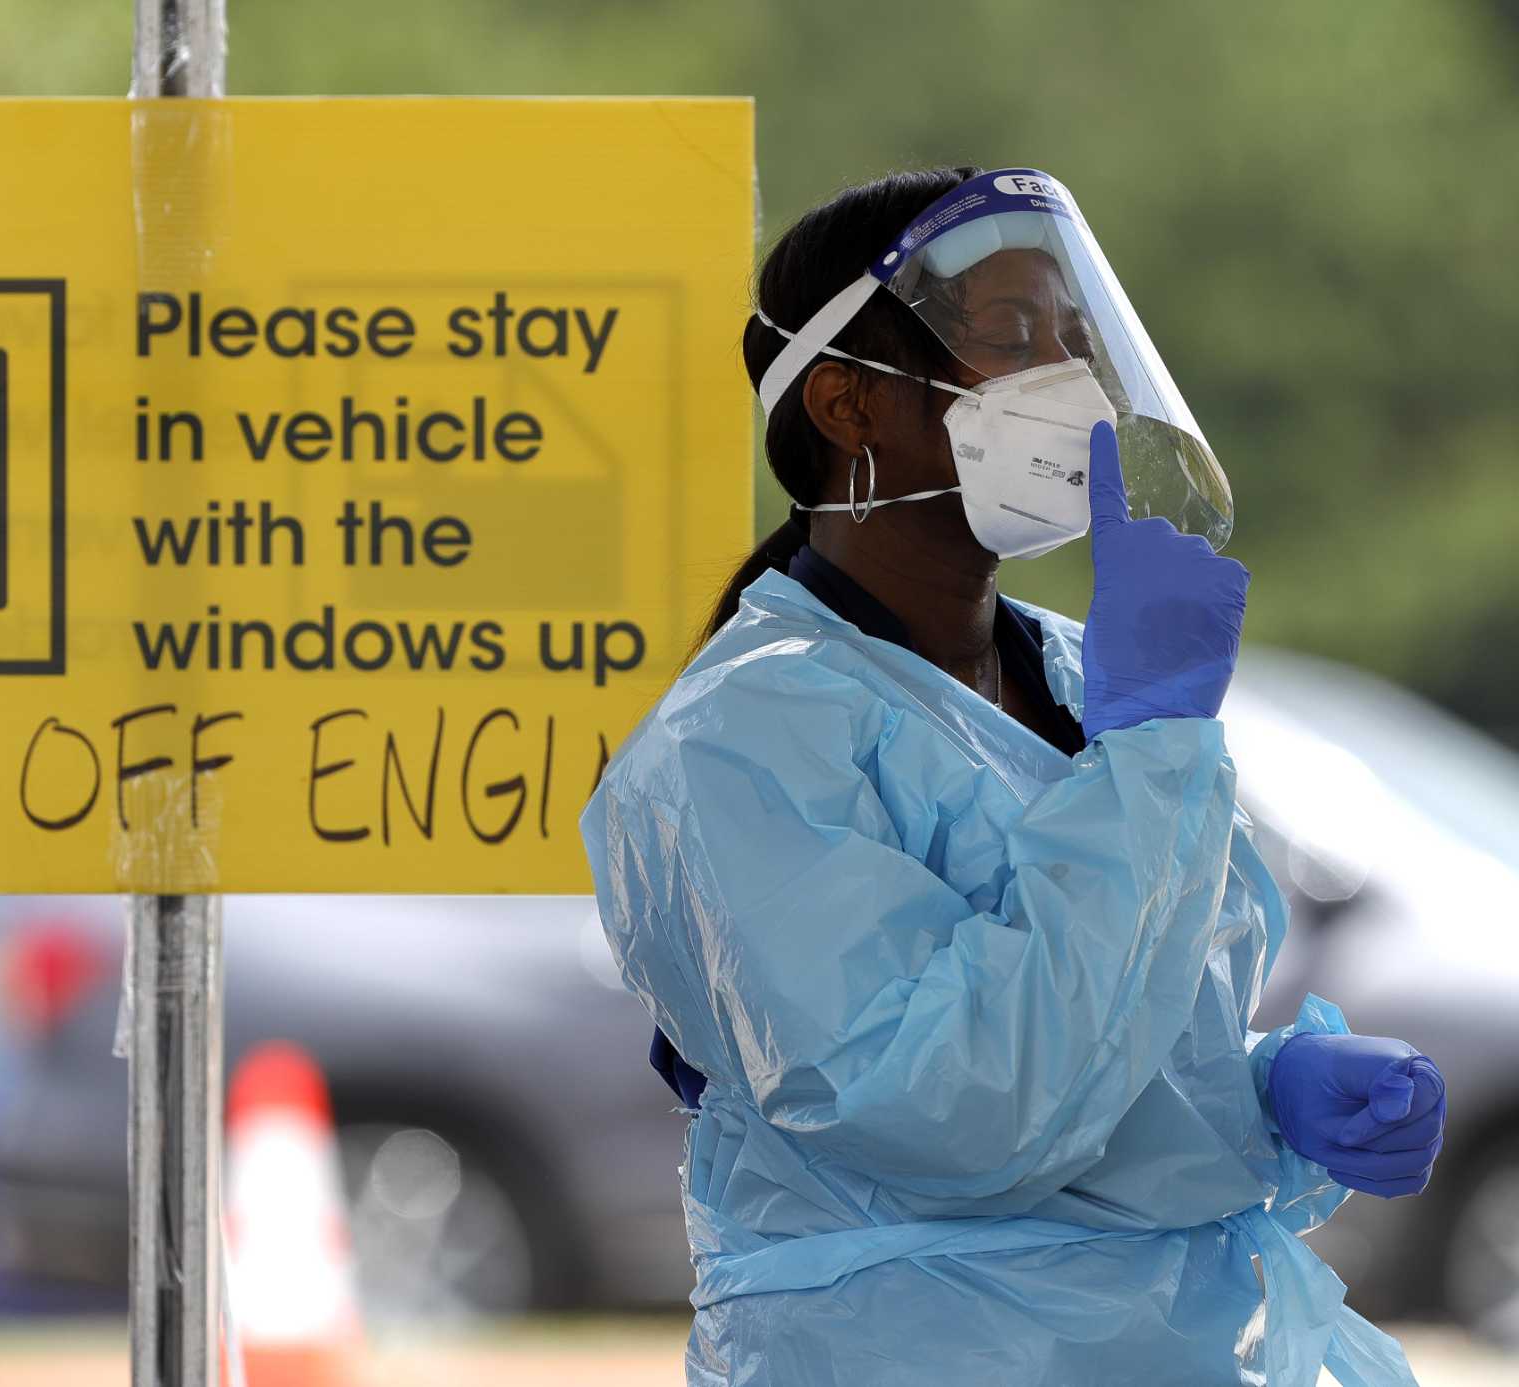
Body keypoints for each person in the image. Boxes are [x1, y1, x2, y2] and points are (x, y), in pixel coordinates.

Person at [580, 167, 1448, 1386]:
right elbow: (950, 1110)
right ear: (844, 403)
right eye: (1009, 338)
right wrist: (1147, 761)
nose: (1071, 384)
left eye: (1075, 339)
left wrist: (1256, 1086)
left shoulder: (1092, 675)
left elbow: (1105, 1016)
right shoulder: (736, 743)